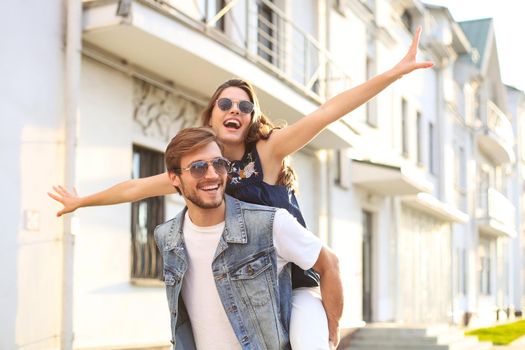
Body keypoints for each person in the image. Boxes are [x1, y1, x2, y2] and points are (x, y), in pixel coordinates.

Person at [49, 26, 433, 348]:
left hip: (290, 281)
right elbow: (135, 188)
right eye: (226, 103)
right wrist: (82, 201)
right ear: (212, 115)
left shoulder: (267, 151)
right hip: (240, 287)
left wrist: (394, 73)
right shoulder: (203, 172)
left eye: (245, 107)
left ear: (252, 118)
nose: (235, 110)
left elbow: (328, 111)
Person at [155, 127, 342, 350]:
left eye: (219, 164)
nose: (212, 174)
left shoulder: (270, 224)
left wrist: (332, 327)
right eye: (198, 167)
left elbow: (329, 263)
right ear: (174, 178)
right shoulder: (166, 236)